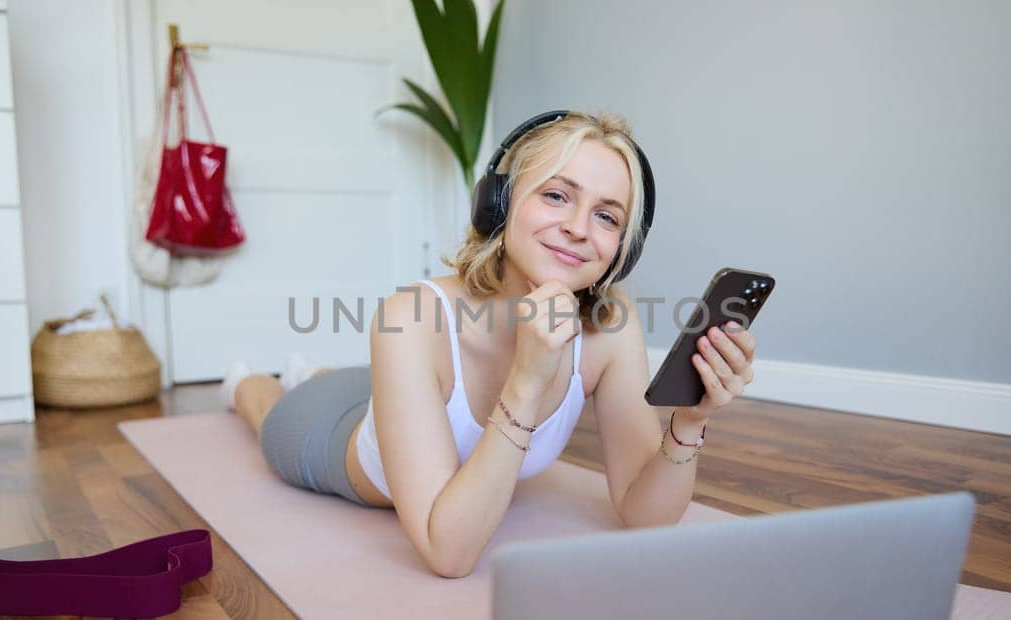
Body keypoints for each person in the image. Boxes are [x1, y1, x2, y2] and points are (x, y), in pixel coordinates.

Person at [219, 110, 757, 579]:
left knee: (374, 385)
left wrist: (688, 422)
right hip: (328, 433)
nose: (577, 228)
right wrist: (527, 377)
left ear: (622, 247)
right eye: (555, 195)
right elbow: (447, 554)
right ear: (498, 205)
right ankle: (252, 381)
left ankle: (313, 371)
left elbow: (647, 516)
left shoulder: (611, 326)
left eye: (606, 216)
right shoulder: (409, 315)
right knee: (267, 408)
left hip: (397, 394)